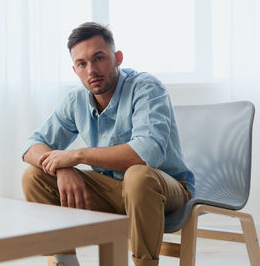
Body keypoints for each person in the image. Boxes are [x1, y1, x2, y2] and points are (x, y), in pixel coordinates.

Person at [21, 22, 195, 266]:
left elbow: (148, 154)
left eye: (99, 58)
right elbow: (33, 145)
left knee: (138, 175)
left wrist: (77, 156)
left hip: (164, 190)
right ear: (75, 70)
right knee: (34, 176)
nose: (91, 69)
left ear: (118, 58)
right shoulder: (76, 100)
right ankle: (66, 263)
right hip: (111, 190)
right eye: (82, 63)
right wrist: (62, 168)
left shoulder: (146, 87)